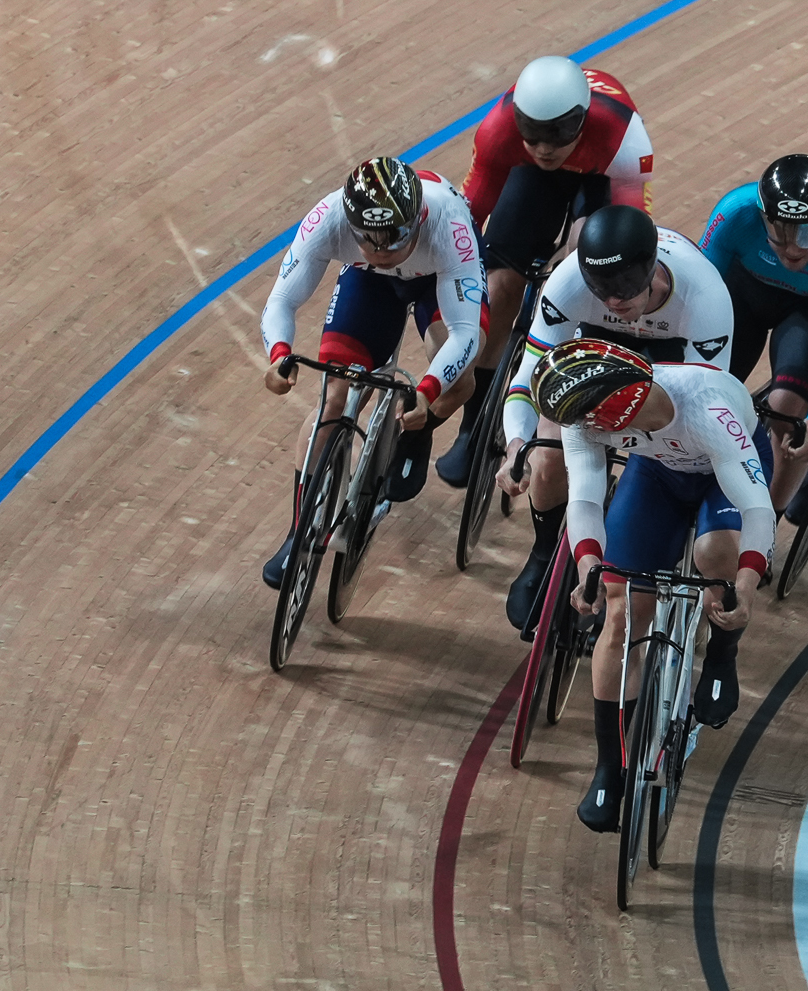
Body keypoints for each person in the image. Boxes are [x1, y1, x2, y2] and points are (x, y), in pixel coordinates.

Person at [532, 339, 773, 832]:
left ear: (616, 415)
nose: (577, 428)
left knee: (714, 556)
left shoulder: (707, 407)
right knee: (621, 612)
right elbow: (583, 500)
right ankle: (609, 767)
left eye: (589, 422)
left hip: (722, 479)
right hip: (658, 473)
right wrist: (588, 570)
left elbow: (757, 510)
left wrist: (745, 588)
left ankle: (723, 650)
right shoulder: (586, 416)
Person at [492, 204, 733, 631]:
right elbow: (527, 378)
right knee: (547, 455)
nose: (614, 299)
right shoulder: (568, 283)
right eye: (601, 288)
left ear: (653, 268)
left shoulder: (705, 295)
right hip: (597, 342)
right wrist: (516, 444)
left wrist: (641, 435)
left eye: (625, 286)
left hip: (670, 359)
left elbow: (704, 407)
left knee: (665, 451)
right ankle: (546, 551)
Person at [256, 156, 486, 588]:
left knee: (460, 380)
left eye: (393, 240)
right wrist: (279, 355)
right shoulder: (329, 218)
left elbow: (465, 334)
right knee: (334, 399)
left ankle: (416, 433)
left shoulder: (448, 225)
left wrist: (430, 386)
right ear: (352, 222)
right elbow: (281, 302)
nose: (381, 251)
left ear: (416, 220)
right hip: (370, 285)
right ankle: (300, 531)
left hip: (436, 279)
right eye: (369, 240)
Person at [435, 55, 654, 487]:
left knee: (587, 248)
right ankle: (473, 429)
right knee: (498, 286)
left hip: (599, 176)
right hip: (533, 180)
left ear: (581, 121)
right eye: (533, 135)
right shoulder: (500, 130)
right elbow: (468, 218)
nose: (545, 147)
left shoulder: (623, 136)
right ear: (518, 121)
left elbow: (630, 230)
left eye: (556, 135)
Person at [698, 154, 808, 516]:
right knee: (703, 390)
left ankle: (769, 523)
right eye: (778, 231)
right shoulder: (735, 211)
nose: (793, 247)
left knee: (788, 416)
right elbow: (698, 292)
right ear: (761, 215)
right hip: (742, 295)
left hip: (807, 311)